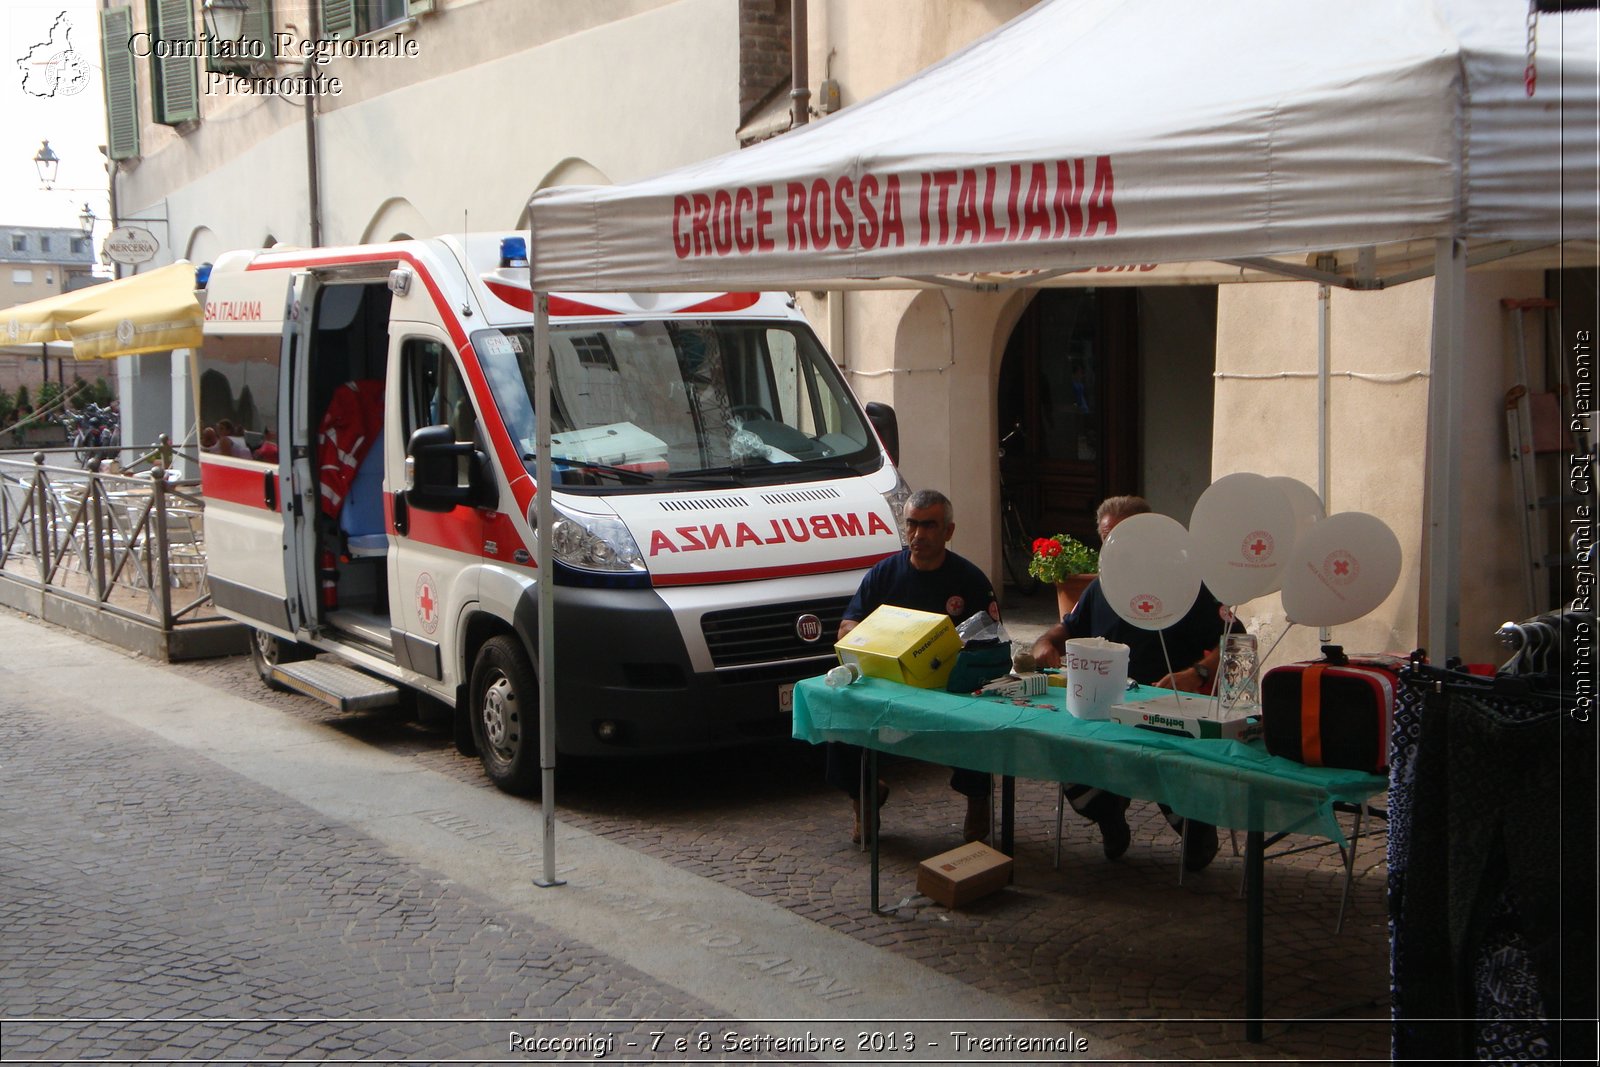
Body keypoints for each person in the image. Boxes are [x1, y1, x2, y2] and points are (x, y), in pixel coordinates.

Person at [1030, 495, 1235, 872]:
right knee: (1063, 748)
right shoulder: (1101, 587)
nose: (1114, 548)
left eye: (1124, 537)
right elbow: (1068, 628)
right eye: (1108, 539)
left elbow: (1234, 640)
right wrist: (1046, 642)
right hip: (1104, 709)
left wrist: (1199, 672)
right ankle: (1110, 816)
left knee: (1165, 762)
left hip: (1170, 714)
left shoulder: (1189, 584)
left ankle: (1195, 826)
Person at [828, 488, 1001, 845]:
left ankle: (978, 801)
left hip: (946, 687)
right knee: (838, 718)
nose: (918, 534)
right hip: (888, 686)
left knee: (977, 717)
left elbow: (993, 640)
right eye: (912, 525)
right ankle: (864, 796)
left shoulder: (969, 579)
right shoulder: (884, 573)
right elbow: (847, 627)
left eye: (929, 526)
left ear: (948, 531)